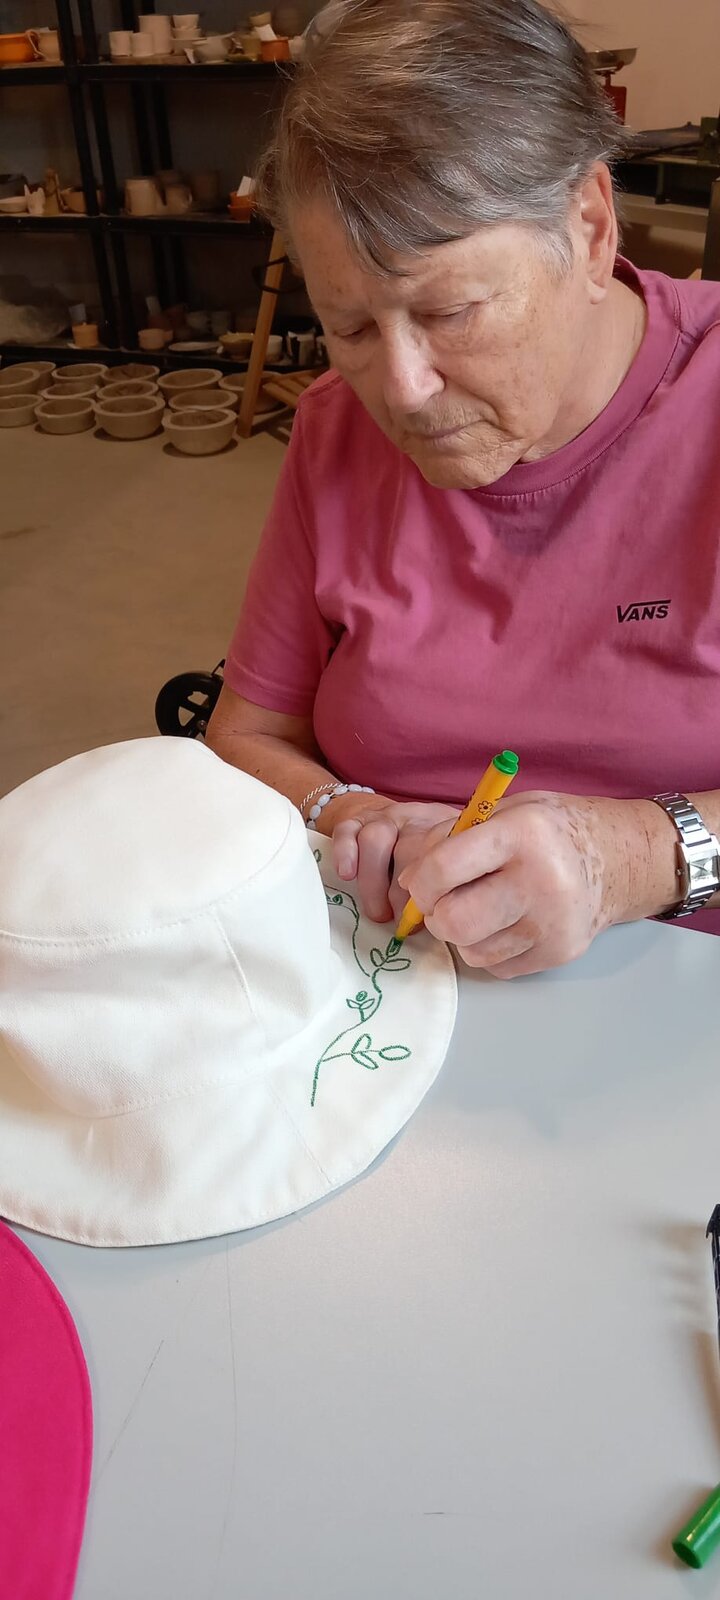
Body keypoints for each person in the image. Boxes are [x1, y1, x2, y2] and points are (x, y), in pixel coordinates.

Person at [206, 0, 720, 977]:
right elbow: (247, 730)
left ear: (589, 225)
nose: (401, 389)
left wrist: (636, 859)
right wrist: (347, 810)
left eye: (450, 311)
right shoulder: (335, 430)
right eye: (351, 328)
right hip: (402, 983)